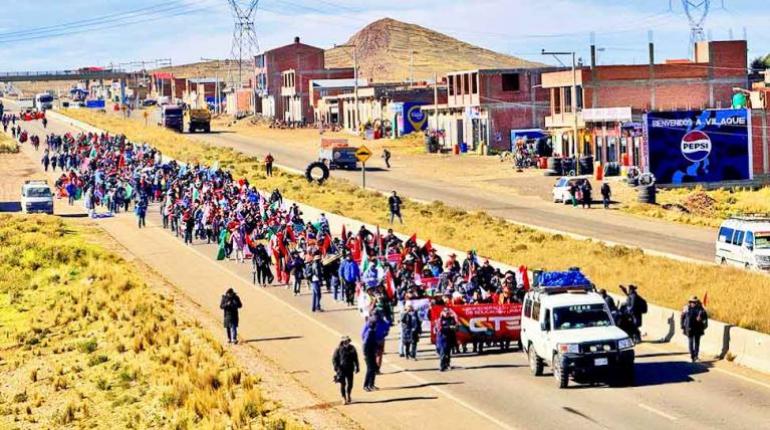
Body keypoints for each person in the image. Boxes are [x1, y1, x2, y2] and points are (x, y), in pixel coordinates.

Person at [332, 336, 359, 404]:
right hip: (341, 369)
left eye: (348, 340)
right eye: (346, 341)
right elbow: (334, 359)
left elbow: (355, 358)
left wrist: (357, 367)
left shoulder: (352, 348)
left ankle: (349, 394)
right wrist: (337, 368)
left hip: (350, 368)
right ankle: (343, 397)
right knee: (343, 384)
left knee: (350, 384)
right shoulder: (338, 349)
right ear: (343, 342)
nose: (347, 342)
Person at [681, 296, 708, 362]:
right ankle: (692, 355)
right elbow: (682, 317)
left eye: (694, 302)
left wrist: (701, 318)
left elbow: (705, 317)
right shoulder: (686, 308)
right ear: (689, 302)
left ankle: (696, 356)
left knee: (697, 342)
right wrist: (682, 325)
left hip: (698, 328)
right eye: (692, 302)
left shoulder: (701, 308)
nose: (693, 303)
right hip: (689, 327)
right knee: (690, 342)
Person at [362, 318, 379, 391]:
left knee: (374, 368)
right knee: (370, 369)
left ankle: (371, 384)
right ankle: (366, 385)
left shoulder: (372, 332)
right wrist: (365, 354)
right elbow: (365, 344)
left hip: (372, 353)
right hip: (369, 354)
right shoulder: (369, 333)